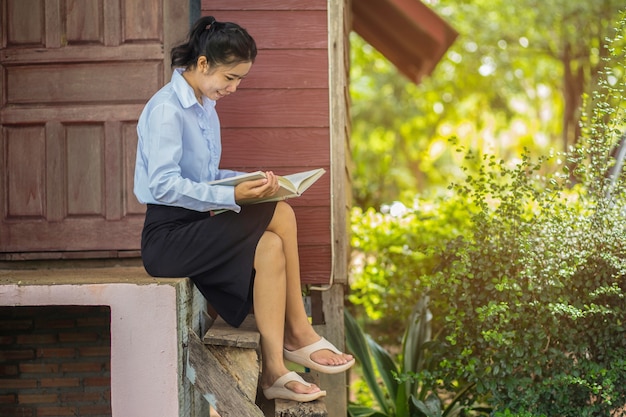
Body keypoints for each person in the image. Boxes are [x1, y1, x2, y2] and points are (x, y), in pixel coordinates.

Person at [133, 15, 354, 402]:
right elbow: (162, 185)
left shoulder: (205, 107)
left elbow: (205, 175)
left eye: (240, 80)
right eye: (230, 78)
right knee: (281, 214)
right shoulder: (167, 109)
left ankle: (274, 371)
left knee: (269, 246)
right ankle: (299, 332)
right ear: (203, 64)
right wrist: (233, 197)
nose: (234, 88)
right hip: (168, 238)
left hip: (199, 225)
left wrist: (248, 180)